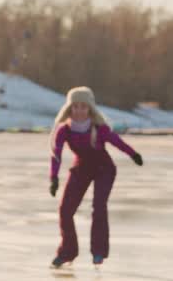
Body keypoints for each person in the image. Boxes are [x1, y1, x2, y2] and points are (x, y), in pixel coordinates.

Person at [48, 86, 142, 268]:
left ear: (90, 108)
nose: (79, 110)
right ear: (69, 108)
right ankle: (68, 251)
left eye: (83, 106)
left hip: (104, 168)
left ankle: (98, 251)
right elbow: (56, 154)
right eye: (75, 106)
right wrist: (54, 178)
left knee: (99, 206)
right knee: (65, 210)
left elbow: (117, 141)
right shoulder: (64, 130)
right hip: (81, 167)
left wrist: (133, 154)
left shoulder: (99, 128)